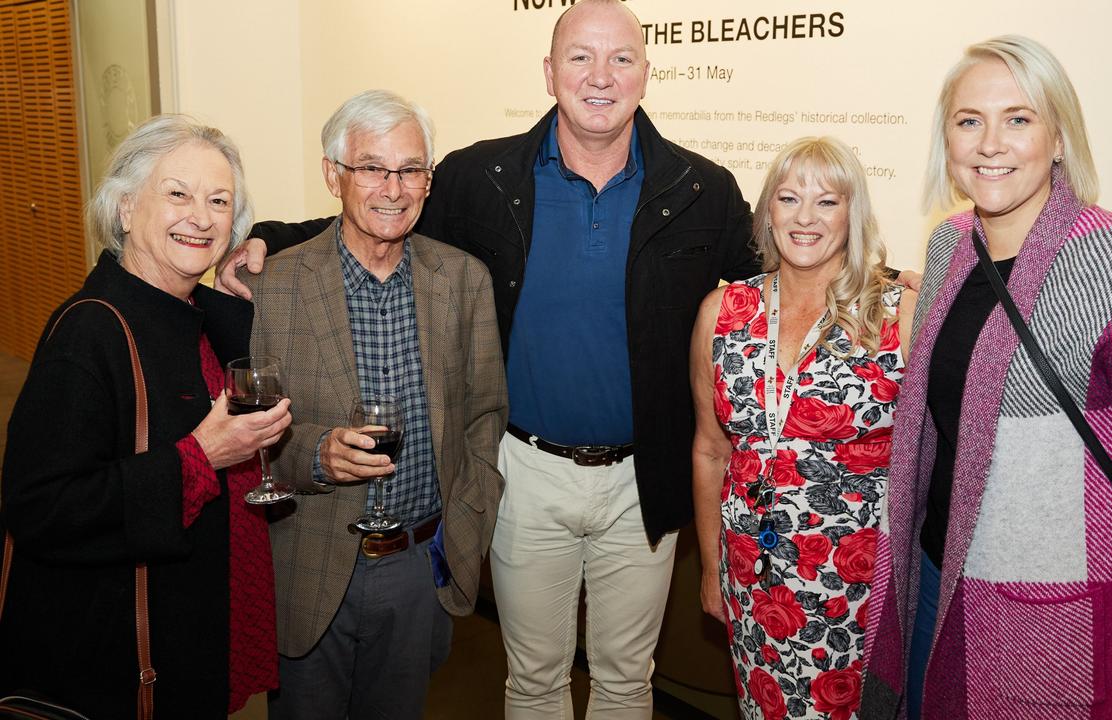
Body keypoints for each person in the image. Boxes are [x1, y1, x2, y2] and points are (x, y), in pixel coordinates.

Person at [218, 1, 757, 716]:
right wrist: (267, 236)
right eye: (580, 57)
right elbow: (380, 214)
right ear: (548, 72)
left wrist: (881, 282)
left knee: (628, 677)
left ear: (646, 76)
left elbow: (774, 275)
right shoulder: (482, 176)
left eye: (621, 58)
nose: (600, 77)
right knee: (533, 677)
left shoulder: (701, 189)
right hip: (525, 472)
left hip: (641, 481)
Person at [860, 36, 1112, 720]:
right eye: (970, 120)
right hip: (934, 575)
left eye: (1018, 119)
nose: (991, 142)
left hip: (1063, 597)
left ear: (1058, 138)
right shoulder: (948, 246)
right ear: (948, 139)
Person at [0, 116, 290, 717]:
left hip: (194, 636)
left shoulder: (206, 314)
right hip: (121, 666)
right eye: (178, 194)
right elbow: (40, 508)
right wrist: (201, 457)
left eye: (219, 201)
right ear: (127, 208)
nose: (201, 216)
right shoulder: (90, 331)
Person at [240, 89, 507, 720]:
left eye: (411, 169)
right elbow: (246, 426)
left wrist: (466, 520)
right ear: (333, 174)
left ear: (429, 181)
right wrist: (317, 454)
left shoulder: (464, 280)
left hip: (419, 567)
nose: (393, 188)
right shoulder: (272, 285)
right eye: (373, 168)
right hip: (310, 562)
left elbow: (484, 414)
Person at [690, 137, 913, 720]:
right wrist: (712, 571)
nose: (805, 218)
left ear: (854, 213)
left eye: (827, 202)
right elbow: (711, 450)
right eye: (789, 199)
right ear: (768, 213)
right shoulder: (723, 311)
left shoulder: (898, 313)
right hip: (753, 573)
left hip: (858, 582)